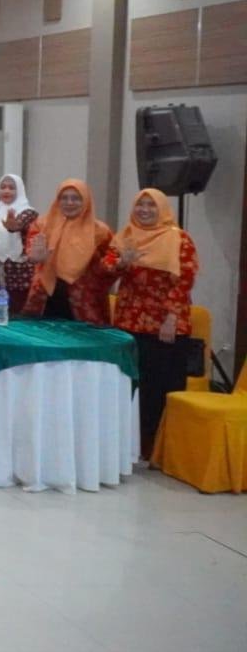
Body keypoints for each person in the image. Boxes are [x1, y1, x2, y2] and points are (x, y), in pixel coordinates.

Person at [106, 189, 198, 457]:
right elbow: (106, 268)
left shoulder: (179, 239)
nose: (144, 210)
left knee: (161, 386)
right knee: (133, 384)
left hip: (164, 324)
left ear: (162, 209)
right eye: (140, 205)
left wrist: (172, 317)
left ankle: (158, 450)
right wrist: (121, 263)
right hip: (129, 320)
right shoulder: (126, 236)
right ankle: (130, 445)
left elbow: (184, 281)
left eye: (151, 205)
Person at [24, 179, 115, 324]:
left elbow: (111, 262)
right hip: (45, 298)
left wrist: (114, 265)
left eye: (76, 198)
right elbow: (31, 250)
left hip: (85, 302)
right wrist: (34, 257)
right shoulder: (42, 225)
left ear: (86, 200)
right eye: (64, 198)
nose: (69, 202)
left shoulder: (100, 231)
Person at [0, 174, 37, 312]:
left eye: (11, 188)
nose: (6, 191)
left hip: (20, 274)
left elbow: (19, 224)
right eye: (3, 187)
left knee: (18, 313)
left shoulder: (28, 212)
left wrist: (13, 227)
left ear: (19, 190)